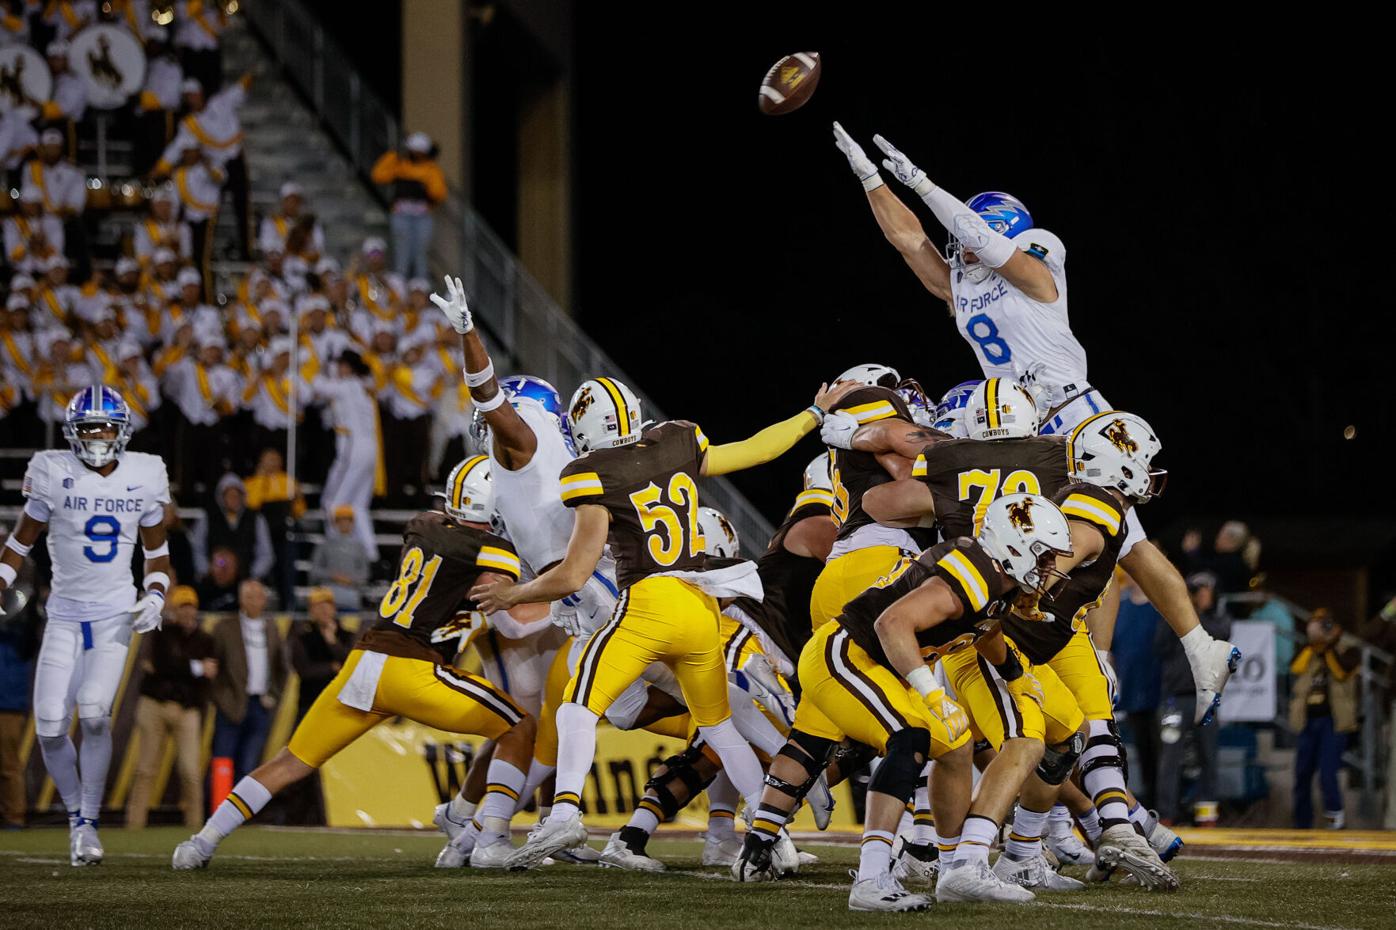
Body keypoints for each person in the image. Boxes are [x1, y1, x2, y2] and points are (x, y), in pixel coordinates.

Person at [833, 125, 1240, 725]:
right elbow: (908, 240)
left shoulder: (1040, 268)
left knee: (1124, 539)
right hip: (1027, 429)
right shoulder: (967, 288)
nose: (959, 245)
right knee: (1063, 541)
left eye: (972, 234)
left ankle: (1192, 645)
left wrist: (919, 180)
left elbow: (984, 242)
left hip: (1076, 415)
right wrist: (870, 178)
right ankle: (1095, 659)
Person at [470, 363, 856, 870]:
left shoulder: (589, 474)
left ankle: (563, 812)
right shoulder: (676, 442)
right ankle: (772, 832)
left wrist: (515, 593)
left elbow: (572, 573)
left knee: (576, 707)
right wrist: (811, 414)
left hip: (644, 604)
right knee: (717, 727)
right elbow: (758, 449)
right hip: (696, 602)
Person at [173, 462, 538, 870]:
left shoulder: (423, 523)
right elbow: (510, 606)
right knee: (520, 727)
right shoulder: (491, 550)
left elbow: (442, 557)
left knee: (289, 761)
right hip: (411, 668)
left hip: (363, 662)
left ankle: (201, 843)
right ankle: (491, 839)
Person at [0, 387, 173, 865]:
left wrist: (156, 594)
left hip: (115, 611)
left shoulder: (144, 474)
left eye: (105, 426)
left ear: (122, 432)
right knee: (51, 726)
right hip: (65, 614)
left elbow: (158, 555)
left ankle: (87, 824)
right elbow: (20, 542)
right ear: (73, 433)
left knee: (95, 711)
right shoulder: (52, 472)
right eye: (89, 427)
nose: (98, 435)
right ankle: (77, 816)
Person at [125, 586, 216, 829]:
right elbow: (166, 663)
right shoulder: (161, 632)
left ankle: (196, 827)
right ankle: (134, 825)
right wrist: (196, 669)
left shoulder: (206, 640)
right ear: (174, 610)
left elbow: (173, 668)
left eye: (191, 608)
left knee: (190, 772)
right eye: (182, 607)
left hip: (186, 709)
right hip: (154, 705)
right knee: (146, 769)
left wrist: (180, 669)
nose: (187, 613)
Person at [1154, 573, 1231, 826]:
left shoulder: (1218, 619)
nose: (1200, 594)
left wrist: (1201, 610)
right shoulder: (1173, 618)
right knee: (1170, 758)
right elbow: (1160, 646)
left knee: (1208, 756)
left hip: (1206, 698)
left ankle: (1207, 814)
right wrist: (1182, 606)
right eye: (1197, 590)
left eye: (1205, 590)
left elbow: (1219, 637)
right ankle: (1166, 813)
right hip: (1175, 698)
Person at [209, 580, 287, 783]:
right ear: (241, 599)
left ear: (264, 600)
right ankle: (218, 811)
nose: (253, 601)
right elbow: (213, 666)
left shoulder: (272, 628)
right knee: (222, 762)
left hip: (260, 704)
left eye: (257, 596)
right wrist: (222, 698)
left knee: (249, 766)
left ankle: (240, 814)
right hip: (231, 704)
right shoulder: (225, 627)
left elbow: (281, 668)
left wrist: (273, 695)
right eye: (248, 596)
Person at [311, 351, 384, 562]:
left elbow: (318, 386)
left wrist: (320, 368)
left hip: (354, 448)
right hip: (369, 449)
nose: (338, 369)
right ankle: (372, 556)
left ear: (349, 367)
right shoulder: (364, 384)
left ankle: (334, 554)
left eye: (342, 365)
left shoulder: (347, 385)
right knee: (358, 507)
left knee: (334, 504)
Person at [1289, 609, 1358, 829]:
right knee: (1302, 774)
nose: (1320, 629)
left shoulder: (1346, 647)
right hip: (1308, 721)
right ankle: (1302, 824)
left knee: (1327, 774)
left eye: (1324, 624)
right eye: (1316, 624)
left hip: (1333, 721)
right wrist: (1314, 645)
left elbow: (1342, 672)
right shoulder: (1310, 651)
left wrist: (1329, 644)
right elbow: (1295, 667)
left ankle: (1335, 820)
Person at [371, 132, 447, 279]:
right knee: (402, 251)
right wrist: (393, 156)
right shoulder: (400, 165)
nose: (415, 155)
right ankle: (400, 285)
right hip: (401, 214)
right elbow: (378, 175)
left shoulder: (431, 169)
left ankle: (421, 285)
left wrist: (422, 181)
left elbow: (438, 193)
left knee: (421, 252)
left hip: (422, 216)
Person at [307, 505, 369, 611]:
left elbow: (365, 574)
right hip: (327, 595)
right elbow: (314, 571)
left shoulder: (360, 547)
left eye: (347, 520)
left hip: (351, 595)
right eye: (340, 520)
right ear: (335, 523)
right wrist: (333, 576)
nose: (344, 523)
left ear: (352, 523)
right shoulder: (325, 545)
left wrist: (350, 580)